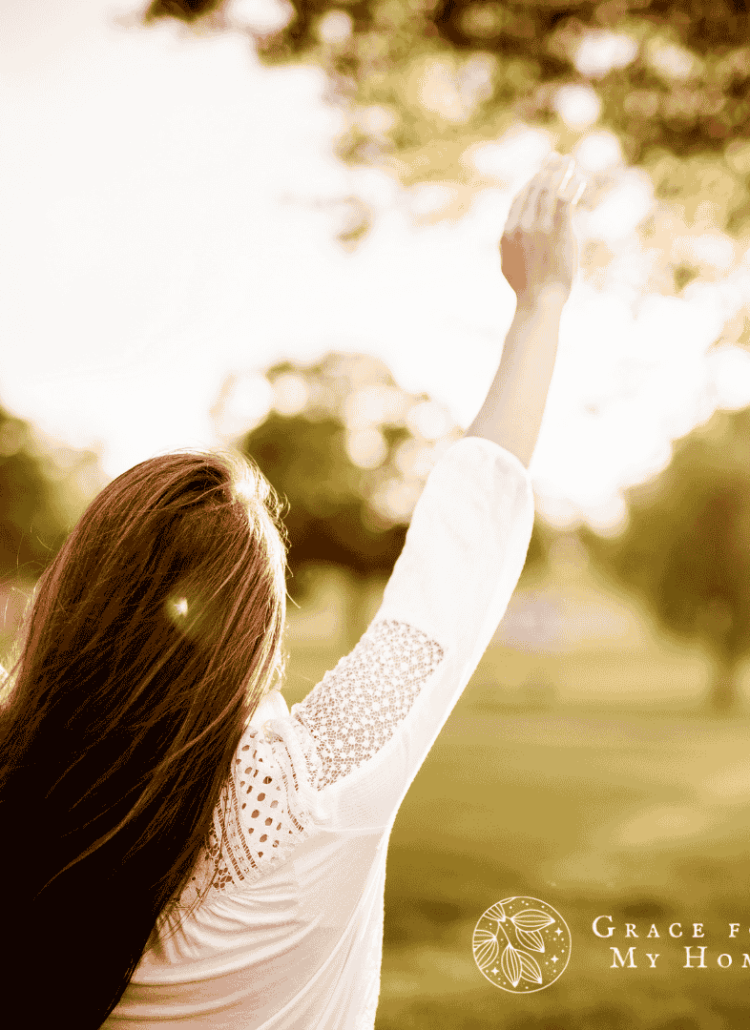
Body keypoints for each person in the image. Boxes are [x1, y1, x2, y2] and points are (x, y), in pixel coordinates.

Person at [0, 152, 586, 1029]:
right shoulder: (309, 793)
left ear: (73, 596)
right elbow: (457, 559)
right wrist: (541, 304)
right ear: (254, 624)